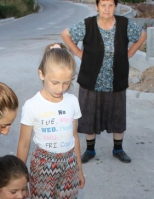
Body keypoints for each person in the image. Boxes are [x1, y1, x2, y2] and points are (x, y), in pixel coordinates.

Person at [17, 43, 85, 199]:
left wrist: (79, 169)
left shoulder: (72, 101)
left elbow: (74, 136)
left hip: (69, 166)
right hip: (42, 166)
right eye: (55, 82)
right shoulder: (32, 105)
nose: (60, 88)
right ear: (41, 74)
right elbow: (24, 144)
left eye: (67, 82)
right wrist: (20, 180)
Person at [61, 0, 146, 164]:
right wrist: (78, 52)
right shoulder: (88, 24)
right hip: (91, 79)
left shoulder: (124, 24)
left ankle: (118, 149)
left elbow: (142, 35)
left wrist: (129, 54)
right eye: (103, 5)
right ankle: (90, 150)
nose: (107, 9)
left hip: (116, 78)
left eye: (110, 5)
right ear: (97, 7)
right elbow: (65, 34)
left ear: (115, 6)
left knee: (118, 115)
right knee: (89, 115)